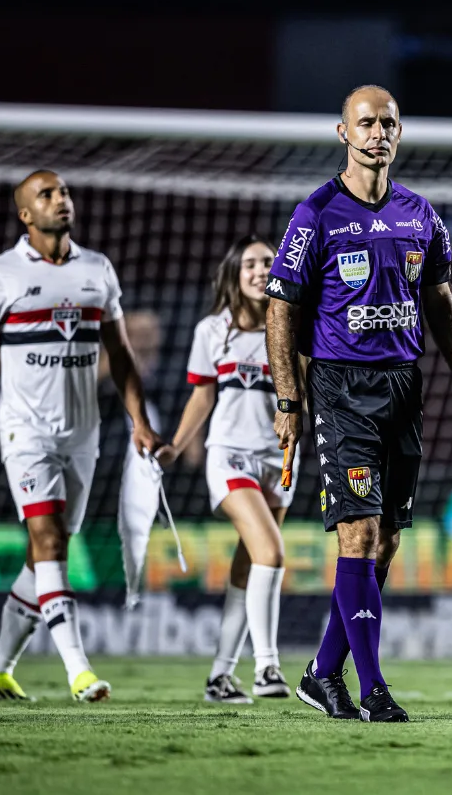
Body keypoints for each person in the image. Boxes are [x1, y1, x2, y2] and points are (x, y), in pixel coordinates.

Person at [266, 85, 452, 723]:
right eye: (365, 123)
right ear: (343, 133)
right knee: (357, 537)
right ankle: (373, 688)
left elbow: (440, 299)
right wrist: (289, 397)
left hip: (402, 385)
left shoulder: (421, 214)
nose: (377, 133)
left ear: (399, 131)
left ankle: (321, 674)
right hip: (339, 389)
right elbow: (282, 308)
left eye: (387, 123)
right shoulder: (316, 214)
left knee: (386, 541)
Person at [0, 170, 161, 702]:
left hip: (83, 435)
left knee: (44, 553)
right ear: (26, 214)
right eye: (46, 195)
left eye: (65, 192)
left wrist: (140, 421)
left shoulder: (97, 269)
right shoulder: (1, 273)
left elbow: (120, 353)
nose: (61, 201)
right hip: (24, 433)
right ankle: (80, 671)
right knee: (49, 541)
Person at [157, 236, 294, 703]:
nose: (260, 270)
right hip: (230, 453)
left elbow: (309, 395)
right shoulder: (212, 331)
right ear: (236, 275)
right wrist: (176, 446)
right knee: (271, 554)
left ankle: (220, 675)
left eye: (268, 263)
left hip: (279, 460)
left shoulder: (294, 327)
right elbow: (202, 396)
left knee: (248, 567)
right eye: (250, 264)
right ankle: (267, 667)